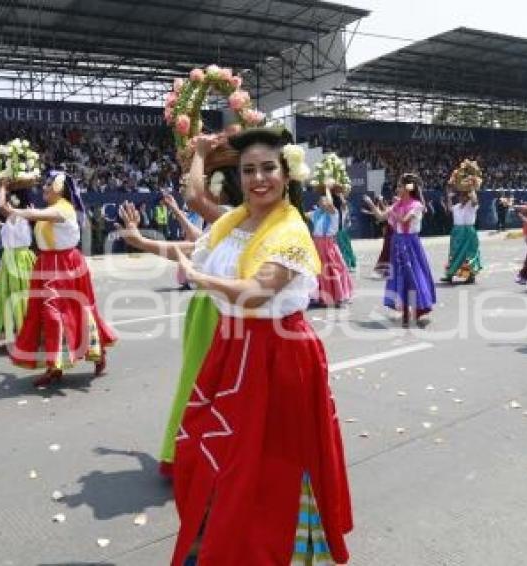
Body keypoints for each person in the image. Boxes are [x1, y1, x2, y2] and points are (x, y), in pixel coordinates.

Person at [169, 127, 352, 565]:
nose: (258, 178)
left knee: (270, 465)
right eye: (248, 169)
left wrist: (200, 279)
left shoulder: (291, 230)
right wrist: (200, 154)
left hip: (279, 355)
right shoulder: (238, 220)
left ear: (286, 173)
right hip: (232, 348)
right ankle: (218, 541)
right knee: (207, 448)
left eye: (268, 168)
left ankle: (269, 551)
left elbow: (256, 292)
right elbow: (196, 212)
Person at [118, 132, 243, 478]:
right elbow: (191, 247)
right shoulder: (227, 221)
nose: (206, 188)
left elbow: (194, 197)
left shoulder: (236, 217)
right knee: (202, 382)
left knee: (205, 383)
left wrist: (200, 152)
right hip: (206, 307)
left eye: (211, 180)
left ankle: (198, 455)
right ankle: (194, 452)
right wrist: (142, 240)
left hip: (220, 309)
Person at [1, 172, 116, 387]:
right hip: (47, 263)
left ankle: (90, 354)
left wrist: (15, 210)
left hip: (65, 265)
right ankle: (54, 365)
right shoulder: (49, 210)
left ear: (59, 189)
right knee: (45, 313)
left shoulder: (63, 209)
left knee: (67, 312)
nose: (44, 187)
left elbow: (38, 215)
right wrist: (7, 195)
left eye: (48, 184)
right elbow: (30, 213)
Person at [365, 174, 436, 327]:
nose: (397, 189)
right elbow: (381, 216)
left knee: (413, 276)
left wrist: (392, 210)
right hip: (397, 244)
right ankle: (405, 311)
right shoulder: (397, 205)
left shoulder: (416, 205)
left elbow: (404, 220)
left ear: (408, 188)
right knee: (399, 277)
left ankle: (418, 308)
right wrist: (371, 204)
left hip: (411, 244)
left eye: (400, 186)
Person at [0, 186, 37, 344]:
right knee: (6, 295)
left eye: (10, 199)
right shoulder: (12, 217)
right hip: (9, 258)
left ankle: (26, 331)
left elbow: (0, 205)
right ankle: (15, 330)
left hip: (20, 259)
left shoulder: (21, 215)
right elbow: (11, 233)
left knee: (21, 294)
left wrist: (2, 185)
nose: (7, 203)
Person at [309, 187, 354, 306]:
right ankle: (322, 297)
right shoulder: (316, 214)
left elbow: (330, 204)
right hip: (317, 244)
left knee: (334, 269)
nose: (322, 202)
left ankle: (339, 296)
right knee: (319, 272)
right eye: (320, 201)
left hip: (328, 244)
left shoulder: (334, 213)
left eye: (325, 200)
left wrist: (328, 188)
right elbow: (300, 214)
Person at [442, 187, 482, 284]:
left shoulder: (472, 205)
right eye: (460, 195)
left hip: (469, 232)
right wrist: (449, 197)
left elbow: (475, 201)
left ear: (468, 196)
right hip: (457, 232)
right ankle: (450, 274)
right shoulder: (457, 206)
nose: (461, 197)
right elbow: (449, 209)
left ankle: (471, 276)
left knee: (469, 254)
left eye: (464, 195)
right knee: (454, 253)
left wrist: (471, 187)